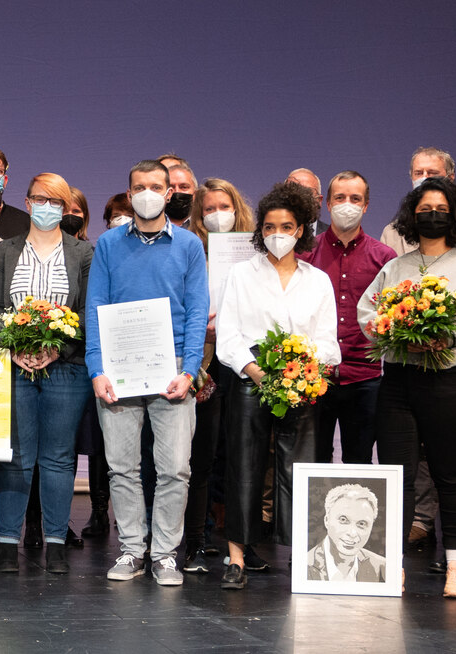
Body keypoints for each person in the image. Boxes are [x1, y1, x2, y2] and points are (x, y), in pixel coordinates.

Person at [356, 176, 456, 599]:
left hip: (451, 381)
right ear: (411, 216)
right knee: (396, 476)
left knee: (451, 475)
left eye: (440, 209)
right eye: (424, 210)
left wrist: (450, 334)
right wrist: (393, 330)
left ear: (454, 216)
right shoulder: (396, 267)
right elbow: (368, 312)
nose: (432, 215)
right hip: (400, 382)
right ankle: (393, 566)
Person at [213, 182, 341, 590]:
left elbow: (328, 343)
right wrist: (256, 371)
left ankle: (303, 560)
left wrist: (303, 371)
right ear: (260, 231)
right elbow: (229, 334)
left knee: (299, 469)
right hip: (251, 380)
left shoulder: (317, 279)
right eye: (269, 226)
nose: (277, 234)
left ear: (302, 228)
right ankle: (236, 557)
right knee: (245, 467)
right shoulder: (241, 274)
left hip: (303, 384)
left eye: (286, 226)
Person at [86, 159, 208, 587]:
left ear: (169, 192)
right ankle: (133, 550)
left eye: (155, 186)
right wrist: (96, 369)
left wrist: (190, 370)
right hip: (118, 369)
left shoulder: (190, 245)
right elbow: (95, 309)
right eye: (139, 186)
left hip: (172, 368)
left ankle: (165, 554)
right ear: (130, 190)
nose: (147, 193)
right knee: (122, 468)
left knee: (175, 468)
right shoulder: (108, 244)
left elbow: (196, 313)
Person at [0, 173, 94, 574]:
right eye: (38, 199)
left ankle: (56, 542)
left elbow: (87, 312)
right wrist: (13, 347)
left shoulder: (84, 253)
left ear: (65, 209)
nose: (46, 207)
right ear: (27, 202)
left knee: (59, 459)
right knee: (16, 457)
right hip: (14, 368)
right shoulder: (7, 249)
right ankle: (9, 543)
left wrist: (57, 347)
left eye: (55, 201)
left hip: (66, 369)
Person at [182, 177, 257, 575]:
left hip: (246, 366)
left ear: (237, 209)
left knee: (242, 459)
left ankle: (243, 542)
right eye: (208, 209)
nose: (216, 215)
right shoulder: (192, 253)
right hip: (207, 365)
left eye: (223, 207)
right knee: (202, 459)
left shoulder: (255, 255)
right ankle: (196, 539)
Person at [300, 172, 395, 466]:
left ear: (366, 206)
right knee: (313, 462)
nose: (347, 204)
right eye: (340, 198)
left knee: (359, 460)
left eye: (355, 199)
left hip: (365, 378)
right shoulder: (304, 253)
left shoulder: (384, 257)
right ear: (327, 204)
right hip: (315, 377)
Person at [379, 147, 456, 255]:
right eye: (418, 173)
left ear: (450, 178)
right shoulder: (391, 233)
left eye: (432, 173)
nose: (425, 178)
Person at [306, 484, 388, 582]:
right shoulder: (302, 566)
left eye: (362, 523)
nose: (352, 533)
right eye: (343, 520)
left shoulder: (383, 568)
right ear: (326, 520)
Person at [163, 165, 198, 229]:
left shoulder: (205, 228)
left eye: (184, 187)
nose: (177, 191)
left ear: (195, 194)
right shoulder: (149, 227)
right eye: (171, 187)